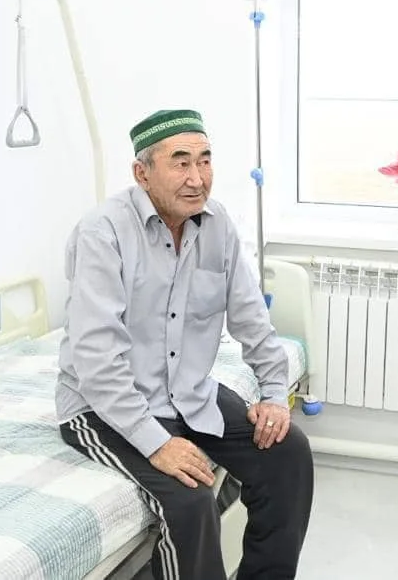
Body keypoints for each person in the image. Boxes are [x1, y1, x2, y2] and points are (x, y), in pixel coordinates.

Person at [55, 108, 314, 580]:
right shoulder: (103, 233)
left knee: (288, 454)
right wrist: (158, 444)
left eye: (205, 160)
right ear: (142, 173)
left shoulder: (217, 225)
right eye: (180, 162)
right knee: (192, 500)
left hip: (187, 393)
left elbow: (251, 318)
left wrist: (275, 394)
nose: (197, 178)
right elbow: (97, 361)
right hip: (102, 407)